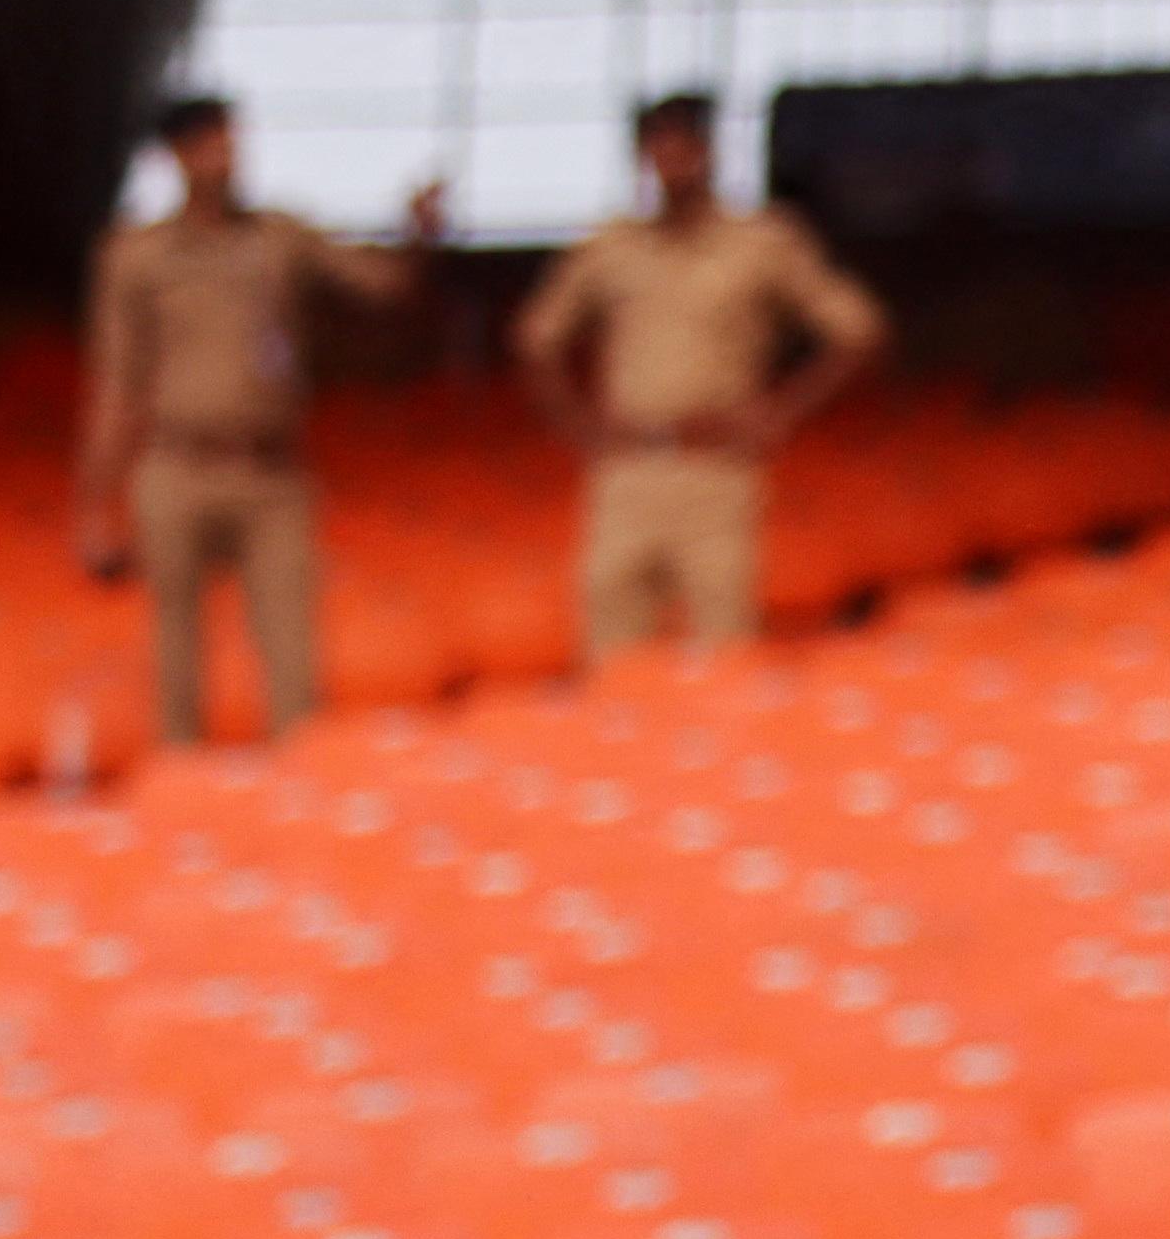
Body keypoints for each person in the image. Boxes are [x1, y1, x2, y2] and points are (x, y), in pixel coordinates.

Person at [76, 93, 447, 754]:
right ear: (177, 158)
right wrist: (95, 504)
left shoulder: (280, 237)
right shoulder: (137, 256)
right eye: (207, 144)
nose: (225, 155)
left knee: (291, 649)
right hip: (177, 464)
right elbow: (117, 383)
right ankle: (182, 781)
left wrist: (417, 233)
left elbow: (383, 286)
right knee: (177, 649)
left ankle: (299, 777)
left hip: (271, 470)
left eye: (229, 140)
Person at [513, 92, 889, 663]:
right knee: (612, 642)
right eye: (657, 147)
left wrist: (779, 411)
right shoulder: (611, 246)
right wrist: (577, 424)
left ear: (709, 152)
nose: (672, 161)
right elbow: (538, 336)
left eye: (684, 145)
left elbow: (857, 330)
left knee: (722, 640)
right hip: (627, 467)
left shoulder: (762, 241)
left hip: (716, 465)